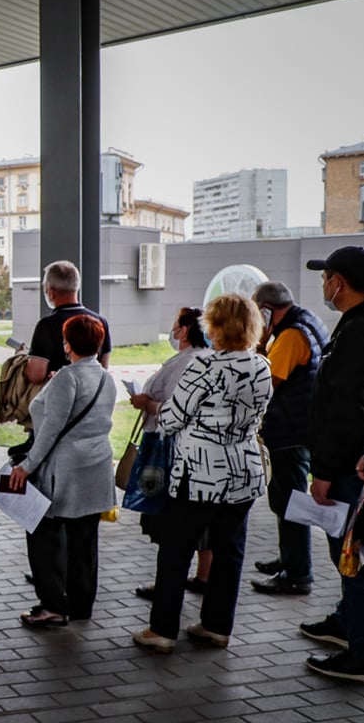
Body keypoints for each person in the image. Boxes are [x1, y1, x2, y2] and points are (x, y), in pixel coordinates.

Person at [132, 293, 272, 654]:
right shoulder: (260, 366)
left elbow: (173, 417)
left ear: (216, 326)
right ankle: (216, 626)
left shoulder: (204, 366)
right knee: (230, 552)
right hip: (243, 473)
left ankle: (162, 630)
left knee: (176, 551)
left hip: (198, 474)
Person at [7, 315, 116, 626]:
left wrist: (27, 467)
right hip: (96, 468)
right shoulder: (104, 377)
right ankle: (81, 606)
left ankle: (53, 606)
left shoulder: (67, 379)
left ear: (67, 344)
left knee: (44, 537)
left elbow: (50, 430)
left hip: (64, 471)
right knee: (85, 543)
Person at [302, 246, 364, 683]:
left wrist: (325, 471)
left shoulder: (361, 332)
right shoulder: (362, 325)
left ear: (339, 283)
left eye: (326, 277)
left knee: (354, 557)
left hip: (355, 469)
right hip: (361, 462)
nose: (324, 286)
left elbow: (349, 408)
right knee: (357, 555)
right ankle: (351, 627)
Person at [249, 280, 329, 596]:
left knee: (290, 503)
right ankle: (289, 559)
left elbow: (269, 382)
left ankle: (297, 573)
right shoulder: (306, 320)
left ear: (267, 311)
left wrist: (260, 343)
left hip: (290, 432)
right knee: (286, 501)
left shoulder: (291, 335)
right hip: (300, 427)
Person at [128, 307, 214, 600]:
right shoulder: (207, 360)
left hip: (172, 450)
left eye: (175, 325)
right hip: (197, 455)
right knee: (197, 522)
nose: (172, 330)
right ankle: (201, 577)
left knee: (170, 521)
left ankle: (168, 586)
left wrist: (148, 403)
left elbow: (177, 410)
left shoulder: (189, 363)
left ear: (186, 330)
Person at [14, 261, 112, 457]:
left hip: (55, 417)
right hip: (90, 419)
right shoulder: (100, 323)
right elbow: (102, 368)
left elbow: (36, 375)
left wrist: (23, 359)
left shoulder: (47, 326)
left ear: (51, 292)